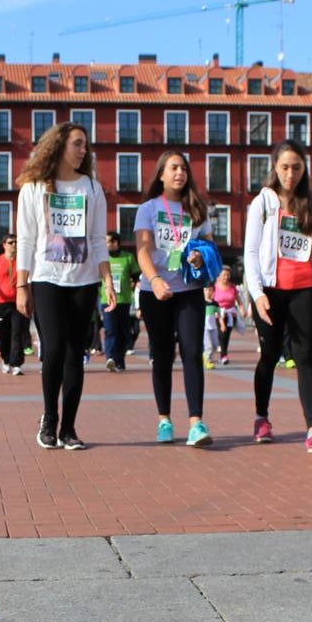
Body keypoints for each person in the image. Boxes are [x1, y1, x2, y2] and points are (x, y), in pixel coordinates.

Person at [15, 122, 115, 449]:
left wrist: (108, 280)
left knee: (76, 354)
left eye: (85, 145)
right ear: (58, 146)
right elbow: (26, 239)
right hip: (46, 278)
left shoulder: (91, 188)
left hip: (83, 280)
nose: (83, 150)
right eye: (77, 144)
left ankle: (68, 428)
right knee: (53, 350)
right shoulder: (33, 188)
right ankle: (49, 419)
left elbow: (99, 239)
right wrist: (22, 285)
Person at [243, 138, 312, 450]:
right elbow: (251, 252)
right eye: (284, 167)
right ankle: (261, 417)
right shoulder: (263, 203)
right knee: (269, 356)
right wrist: (257, 294)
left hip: (303, 290)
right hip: (269, 291)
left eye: (297, 167)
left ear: (304, 169)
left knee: (304, 357)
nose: (290, 173)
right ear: (274, 168)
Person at [134, 149, 215, 447]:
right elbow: (142, 250)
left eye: (183, 168)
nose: (179, 173)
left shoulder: (197, 208)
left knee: (193, 352)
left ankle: (196, 423)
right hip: (155, 292)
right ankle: (164, 420)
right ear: (161, 174)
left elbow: (209, 245)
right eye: (173, 168)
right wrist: (154, 280)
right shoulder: (148, 209)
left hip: (189, 291)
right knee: (163, 356)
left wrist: (200, 258)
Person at [0, 233, 25, 375]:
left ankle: (16, 364)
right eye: (11, 242)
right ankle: (5, 359)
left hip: (17, 302)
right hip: (1, 303)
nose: (14, 245)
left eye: (16, 242)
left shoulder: (22, 262)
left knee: (17, 332)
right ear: (4, 245)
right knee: (3, 334)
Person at [102, 230, 139, 372]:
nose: (106, 245)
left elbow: (136, 275)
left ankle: (120, 360)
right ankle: (110, 358)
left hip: (124, 300)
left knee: (123, 331)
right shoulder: (103, 260)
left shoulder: (128, 257)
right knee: (110, 329)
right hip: (107, 300)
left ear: (116, 243)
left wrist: (133, 283)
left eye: (108, 242)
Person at [213, 266, 240, 364]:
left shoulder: (232, 286)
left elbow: (238, 299)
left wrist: (242, 309)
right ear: (219, 276)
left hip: (231, 314)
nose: (226, 277)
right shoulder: (214, 287)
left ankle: (223, 354)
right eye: (224, 275)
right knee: (222, 334)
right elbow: (210, 300)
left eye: (228, 275)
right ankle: (223, 355)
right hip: (218, 313)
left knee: (226, 335)